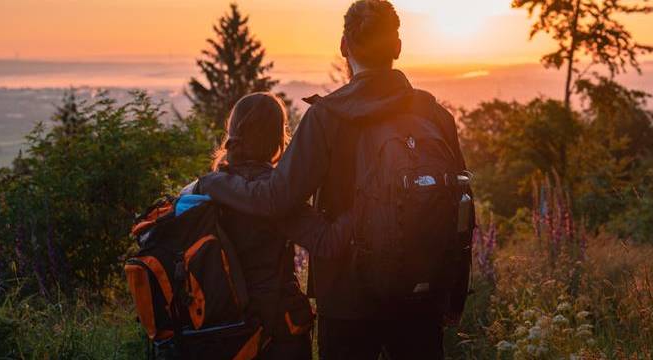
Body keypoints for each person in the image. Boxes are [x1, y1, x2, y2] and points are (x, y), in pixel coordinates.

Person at [199, 1, 474, 359]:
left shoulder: (327, 117)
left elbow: (276, 198)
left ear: (344, 46)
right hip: (423, 291)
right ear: (397, 47)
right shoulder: (435, 116)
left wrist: (213, 183)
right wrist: (453, 292)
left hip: (347, 297)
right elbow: (460, 206)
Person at [191, 92, 352, 360]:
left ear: (233, 132)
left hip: (220, 327)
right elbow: (328, 243)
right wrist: (363, 204)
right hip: (276, 331)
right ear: (278, 138)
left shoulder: (209, 186)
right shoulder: (277, 196)